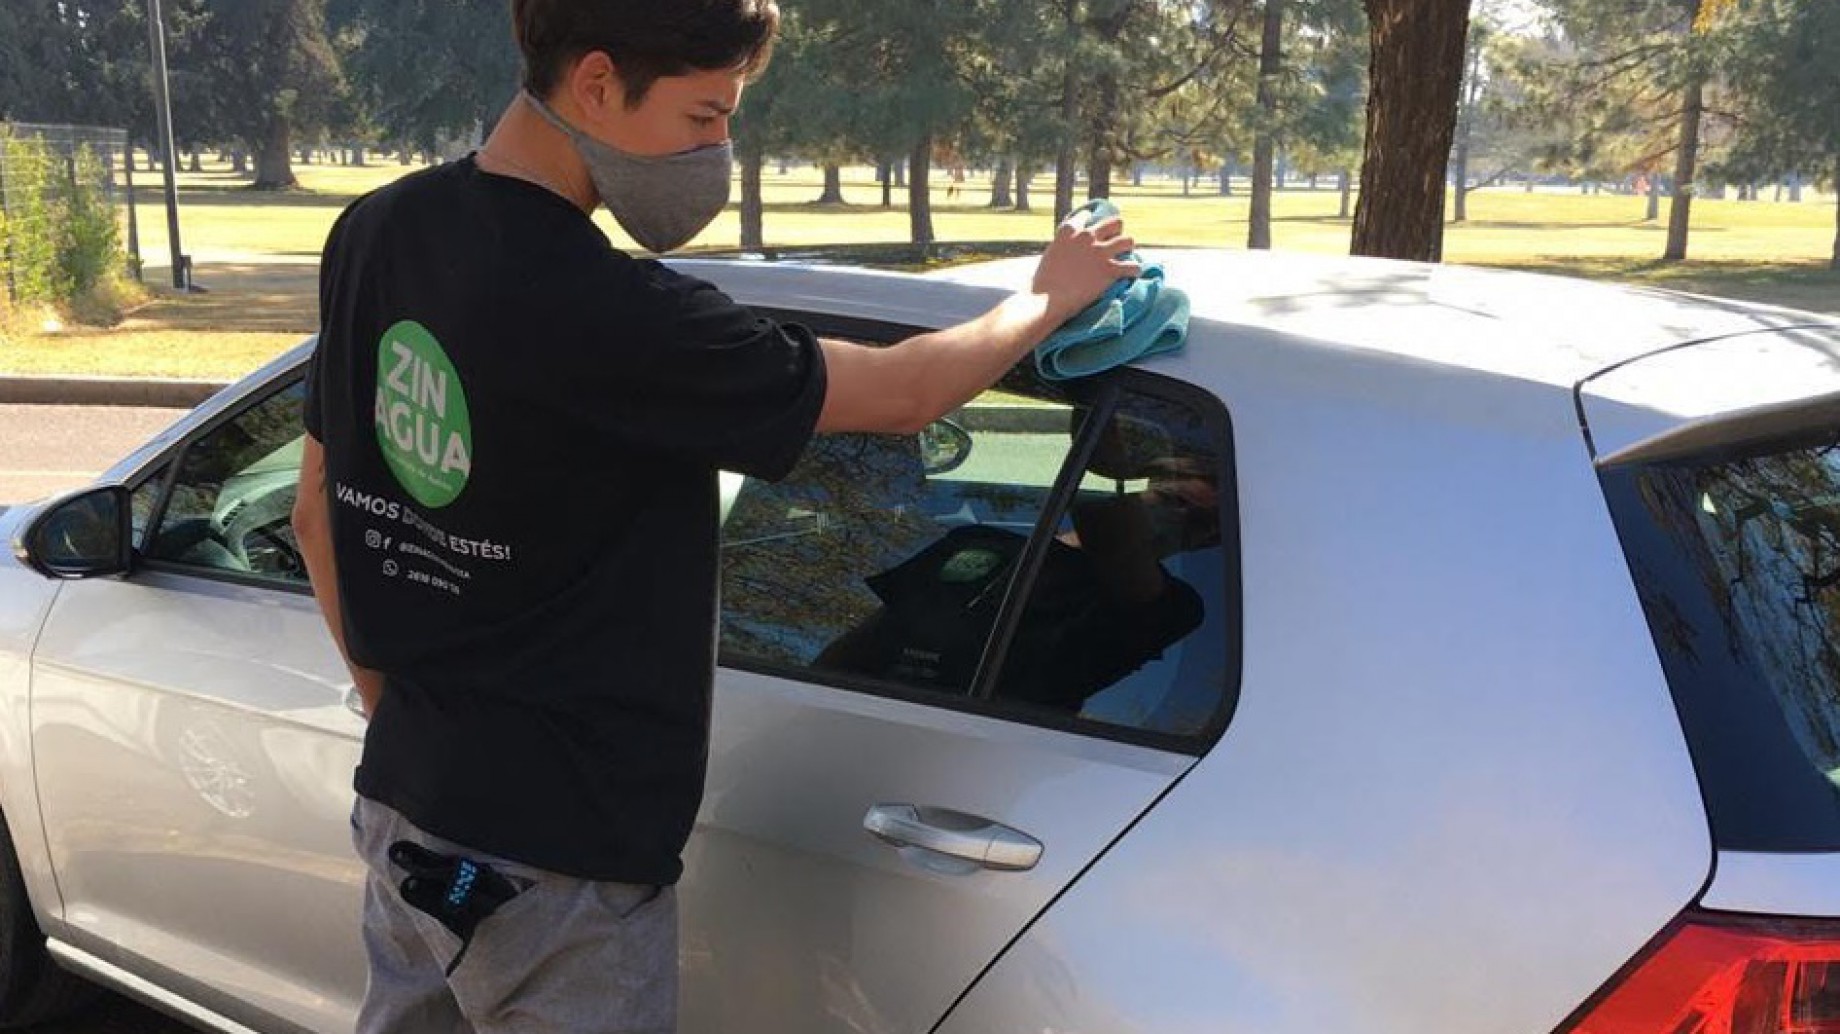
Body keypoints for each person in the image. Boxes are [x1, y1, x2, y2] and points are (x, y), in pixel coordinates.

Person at [290, 1, 1138, 1031]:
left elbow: (315, 511)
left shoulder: (378, 230)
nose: (719, 150)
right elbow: (904, 392)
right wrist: (1047, 297)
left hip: (405, 804)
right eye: (703, 117)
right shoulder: (615, 313)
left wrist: (404, 718)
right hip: (562, 866)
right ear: (597, 83)